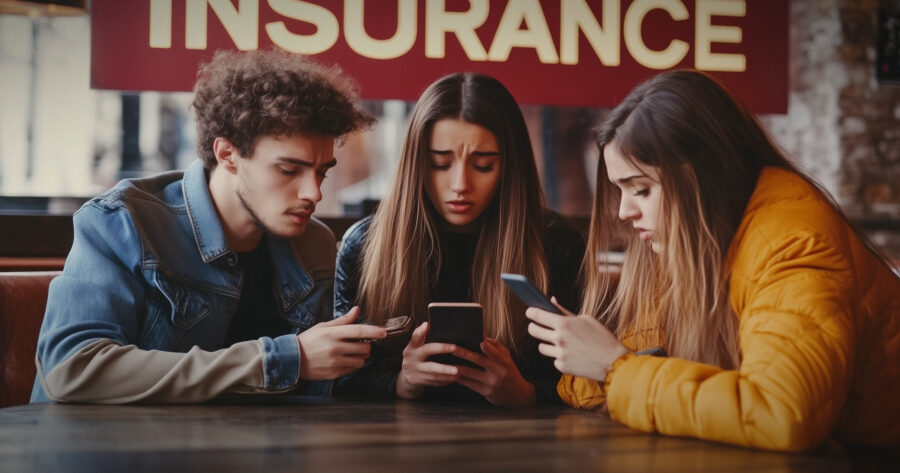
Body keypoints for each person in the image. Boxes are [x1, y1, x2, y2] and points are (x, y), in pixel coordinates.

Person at [526, 70, 900, 451]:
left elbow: (781, 414)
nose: (623, 212)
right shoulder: (701, 242)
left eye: (640, 189)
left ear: (703, 177)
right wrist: (587, 357)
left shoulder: (793, 243)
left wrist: (613, 368)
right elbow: (643, 353)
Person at [31, 50, 386, 403]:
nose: (314, 193)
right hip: (103, 453)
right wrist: (281, 359)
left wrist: (397, 380)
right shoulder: (123, 221)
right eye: (289, 170)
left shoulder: (313, 245)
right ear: (227, 154)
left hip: (244, 452)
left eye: (322, 171)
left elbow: (315, 386)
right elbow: (72, 369)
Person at [334, 73, 585, 407]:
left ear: (510, 167)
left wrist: (526, 393)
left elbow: (588, 383)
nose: (460, 184)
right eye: (440, 163)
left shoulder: (557, 244)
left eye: (482, 166)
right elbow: (340, 382)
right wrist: (402, 382)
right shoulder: (365, 244)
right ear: (415, 164)